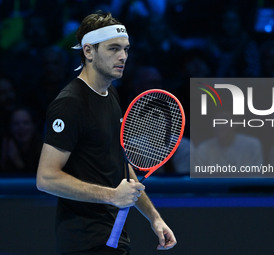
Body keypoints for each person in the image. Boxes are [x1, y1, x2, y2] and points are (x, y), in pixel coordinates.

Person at [36, 11, 176, 255]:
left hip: (112, 238)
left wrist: (154, 217)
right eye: (113, 49)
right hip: (83, 242)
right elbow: (46, 178)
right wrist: (112, 196)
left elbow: (119, 164)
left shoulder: (110, 94)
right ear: (88, 51)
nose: (123, 56)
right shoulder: (69, 103)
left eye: (126, 49)